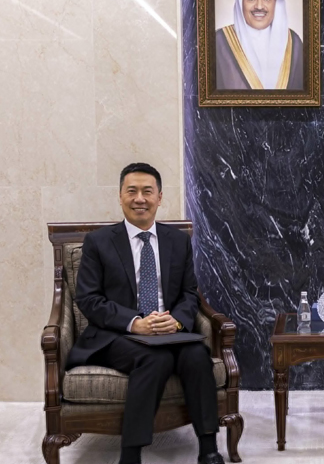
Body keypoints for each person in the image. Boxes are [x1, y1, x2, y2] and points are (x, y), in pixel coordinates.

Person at [66, 163, 223, 464]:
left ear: (159, 197)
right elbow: (88, 298)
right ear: (120, 196)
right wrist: (134, 323)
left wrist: (176, 321)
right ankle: (130, 456)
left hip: (169, 331)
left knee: (196, 355)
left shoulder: (178, 240)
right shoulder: (99, 242)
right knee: (155, 358)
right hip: (118, 335)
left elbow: (190, 293)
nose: (140, 198)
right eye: (132, 191)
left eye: (147, 191)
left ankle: (209, 450)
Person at [215, 0, 304, 90]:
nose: (259, 6)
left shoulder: (293, 42)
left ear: (275, 3)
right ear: (241, 4)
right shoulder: (219, 41)